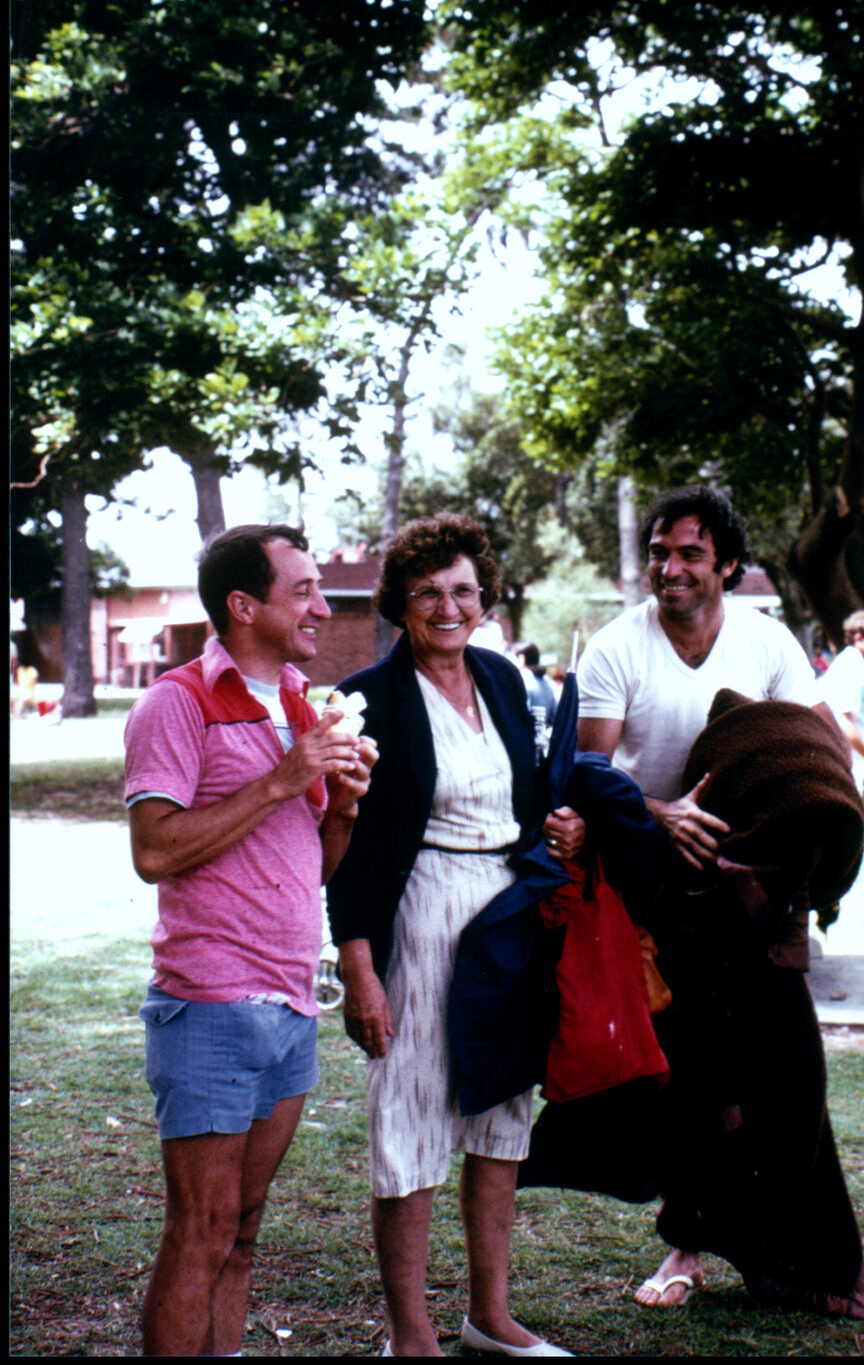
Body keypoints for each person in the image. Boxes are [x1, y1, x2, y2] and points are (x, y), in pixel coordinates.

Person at [326, 513, 582, 1358]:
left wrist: (557, 830)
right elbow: (351, 849)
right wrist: (359, 963)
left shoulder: (505, 681)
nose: (447, 606)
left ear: (485, 599)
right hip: (416, 908)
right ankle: (412, 1335)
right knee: (411, 1114)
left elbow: (528, 799)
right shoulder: (369, 697)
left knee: (502, 1111)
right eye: (428, 591)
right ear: (400, 601)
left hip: (503, 913)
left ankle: (490, 1317)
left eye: (463, 590)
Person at [124, 524, 377, 1358]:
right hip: (208, 1002)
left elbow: (315, 866)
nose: (321, 603)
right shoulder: (178, 701)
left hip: (291, 1002)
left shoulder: (305, 704)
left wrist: (338, 804)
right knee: (201, 1227)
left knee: (244, 1229)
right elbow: (155, 851)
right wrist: (283, 779)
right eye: (301, 589)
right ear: (243, 606)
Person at [575, 485, 819, 1308]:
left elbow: (811, 750)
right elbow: (587, 774)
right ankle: (684, 1250)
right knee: (691, 1078)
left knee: (779, 1075)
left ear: (729, 568)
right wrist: (660, 813)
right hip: (658, 886)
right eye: (659, 552)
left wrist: (809, 854)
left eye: (689, 554)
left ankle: (782, 1255)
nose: (669, 569)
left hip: (754, 888)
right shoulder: (615, 647)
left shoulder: (767, 641)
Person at [818, 611, 864, 798]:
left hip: (852, 757)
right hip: (840, 758)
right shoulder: (850, 668)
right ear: (858, 638)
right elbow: (846, 724)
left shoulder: (859, 665)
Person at [511, 640, 558, 728]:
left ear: (521, 658)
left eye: (512, 656)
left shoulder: (520, 682)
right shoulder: (547, 685)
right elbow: (554, 717)